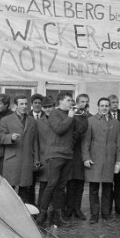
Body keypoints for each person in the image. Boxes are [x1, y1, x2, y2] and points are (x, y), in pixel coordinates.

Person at [37, 92, 87, 227]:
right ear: (60, 101)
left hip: (68, 155)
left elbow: (80, 131)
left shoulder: (71, 115)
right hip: (55, 155)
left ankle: (57, 217)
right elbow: (59, 129)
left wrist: (81, 115)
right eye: (68, 100)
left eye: (71, 100)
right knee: (52, 184)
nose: (71, 102)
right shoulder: (54, 113)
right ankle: (42, 215)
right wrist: (71, 117)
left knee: (61, 187)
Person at [82, 97, 120, 224]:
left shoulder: (115, 123)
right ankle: (94, 214)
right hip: (95, 159)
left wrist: (119, 160)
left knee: (107, 188)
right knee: (93, 188)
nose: (104, 108)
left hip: (109, 160)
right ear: (98, 107)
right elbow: (85, 142)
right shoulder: (90, 121)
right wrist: (86, 158)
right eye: (102, 106)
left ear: (109, 107)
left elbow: (118, 143)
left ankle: (106, 213)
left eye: (106, 106)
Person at [0, 95, 38, 204]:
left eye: (26, 104)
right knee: (9, 190)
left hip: (27, 160)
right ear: (15, 106)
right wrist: (10, 137)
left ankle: (23, 216)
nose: (24, 106)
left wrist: (36, 159)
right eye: (21, 104)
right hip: (12, 160)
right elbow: (0, 138)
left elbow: (35, 142)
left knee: (24, 191)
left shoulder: (32, 121)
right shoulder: (6, 120)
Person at [65, 93, 91, 220]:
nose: (83, 104)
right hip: (72, 151)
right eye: (81, 101)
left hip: (83, 151)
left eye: (86, 101)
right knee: (71, 182)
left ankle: (77, 208)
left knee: (80, 183)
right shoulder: (71, 115)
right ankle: (69, 208)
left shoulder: (89, 117)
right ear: (76, 102)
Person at [35, 96, 55, 207]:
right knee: (43, 185)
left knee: (56, 186)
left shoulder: (60, 120)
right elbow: (36, 143)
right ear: (42, 108)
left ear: (54, 107)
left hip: (57, 158)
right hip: (44, 158)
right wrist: (37, 160)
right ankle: (42, 211)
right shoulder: (38, 122)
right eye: (46, 107)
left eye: (50, 107)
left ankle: (55, 213)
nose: (48, 109)